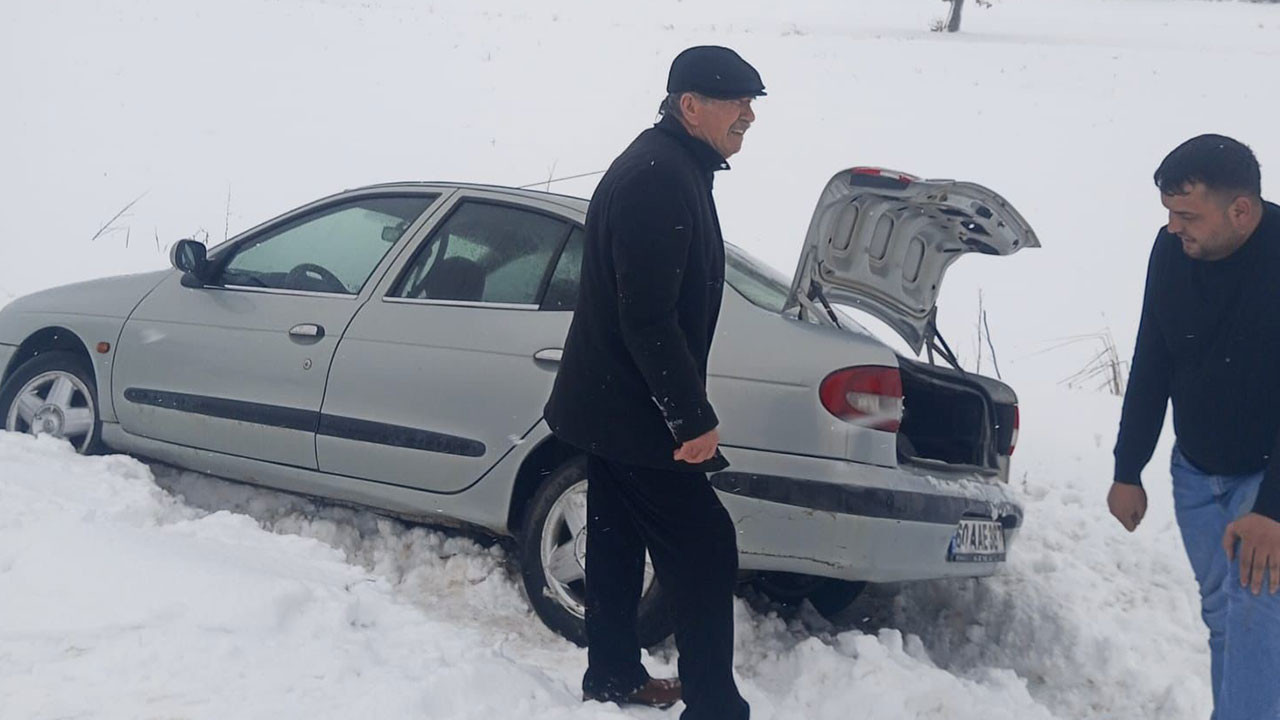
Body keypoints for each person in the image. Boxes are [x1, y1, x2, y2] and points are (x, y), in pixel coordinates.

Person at [542, 45, 763, 720]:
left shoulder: (672, 165)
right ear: (689, 105)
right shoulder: (658, 177)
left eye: (753, 103)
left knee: (615, 536)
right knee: (705, 546)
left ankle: (613, 676)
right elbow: (646, 315)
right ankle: (714, 705)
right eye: (737, 102)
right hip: (633, 410)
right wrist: (690, 417)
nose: (749, 116)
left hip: (614, 402)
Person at [1109, 134, 1280, 720]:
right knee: (1224, 617)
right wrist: (1128, 467)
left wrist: (1274, 509)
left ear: (1241, 211)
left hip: (1266, 476)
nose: (1173, 227)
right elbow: (1153, 356)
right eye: (1168, 213)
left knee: (1258, 612)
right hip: (1196, 474)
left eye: (1187, 216)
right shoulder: (1171, 251)